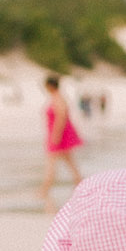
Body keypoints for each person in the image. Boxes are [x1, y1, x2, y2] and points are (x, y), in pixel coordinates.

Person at [40, 73, 85, 201]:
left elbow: (61, 117)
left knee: (51, 164)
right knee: (70, 163)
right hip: (60, 134)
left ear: (50, 86)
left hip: (59, 135)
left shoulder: (58, 98)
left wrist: (55, 136)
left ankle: (44, 191)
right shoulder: (57, 97)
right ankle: (80, 185)